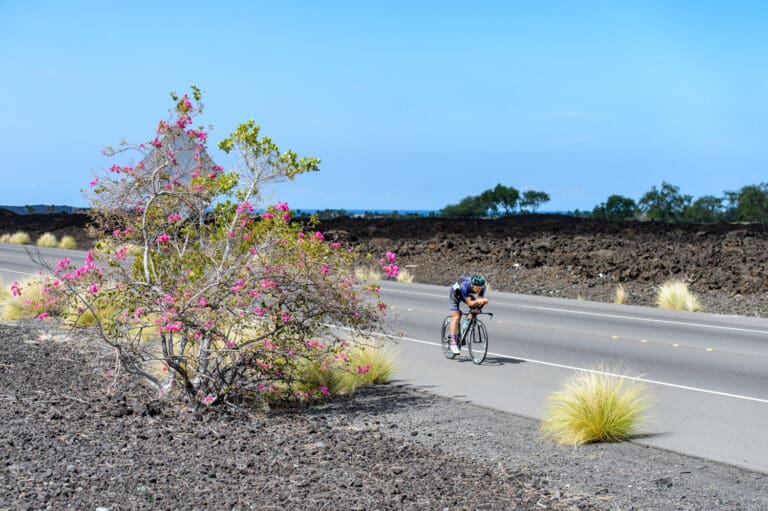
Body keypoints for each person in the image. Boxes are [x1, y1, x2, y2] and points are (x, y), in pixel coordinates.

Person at [448, 274, 488, 354]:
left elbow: (478, 301)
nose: (479, 290)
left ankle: (464, 330)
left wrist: (482, 303)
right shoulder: (464, 285)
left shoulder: (482, 287)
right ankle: (453, 342)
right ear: (472, 285)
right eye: (477, 288)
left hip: (466, 295)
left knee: (475, 309)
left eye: (480, 288)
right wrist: (477, 301)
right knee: (456, 316)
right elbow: (470, 303)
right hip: (455, 294)